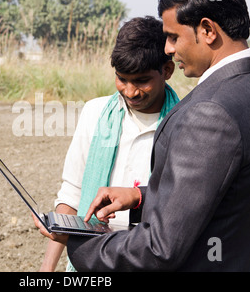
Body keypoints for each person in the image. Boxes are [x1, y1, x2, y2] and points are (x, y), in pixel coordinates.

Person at [63, 0, 250, 271]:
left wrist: (82, 245)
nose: (168, 48)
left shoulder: (210, 112)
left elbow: (159, 248)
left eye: (173, 36)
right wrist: (139, 197)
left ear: (207, 30)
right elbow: (219, 190)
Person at [35, 16, 180, 272]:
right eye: (122, 79)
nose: (130, 91)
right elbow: (73, 191)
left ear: (166, 71)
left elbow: (179, 207)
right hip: (90, 263)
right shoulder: (95, 113)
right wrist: (46, 272)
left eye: (142, 81)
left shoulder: (184, 123)